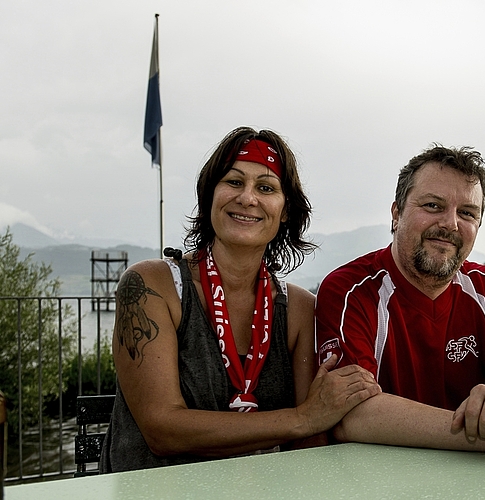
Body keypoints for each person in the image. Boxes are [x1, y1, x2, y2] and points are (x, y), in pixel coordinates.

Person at [100, 127, 380, 472]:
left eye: (266, 187)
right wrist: (302, 418)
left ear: (286, 210)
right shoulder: (151, 285)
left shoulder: (299, 309)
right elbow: (162, 430)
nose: (248, 198)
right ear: (209, 194)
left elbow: (311, 440)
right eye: (234, 182)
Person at [315, 144, 485, 466]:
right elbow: (352, 415)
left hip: (472, 474)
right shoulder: (351, 289)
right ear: (396, 213)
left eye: (467, 213)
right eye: (433, 206)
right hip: (374, 474)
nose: (450, 224)